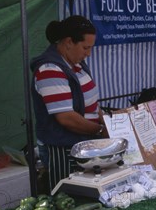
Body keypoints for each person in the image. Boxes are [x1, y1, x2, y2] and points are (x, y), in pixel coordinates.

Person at [31, 15, 108, 191]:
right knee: (67, 196)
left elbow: (89, 103)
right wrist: (100, 130)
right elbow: (67, 118)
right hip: (62, 148)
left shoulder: (75, 64)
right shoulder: (50, 70)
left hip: (81, 143)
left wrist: (103, 118)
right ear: (68, 42)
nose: (88, 53)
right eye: (85, 48)